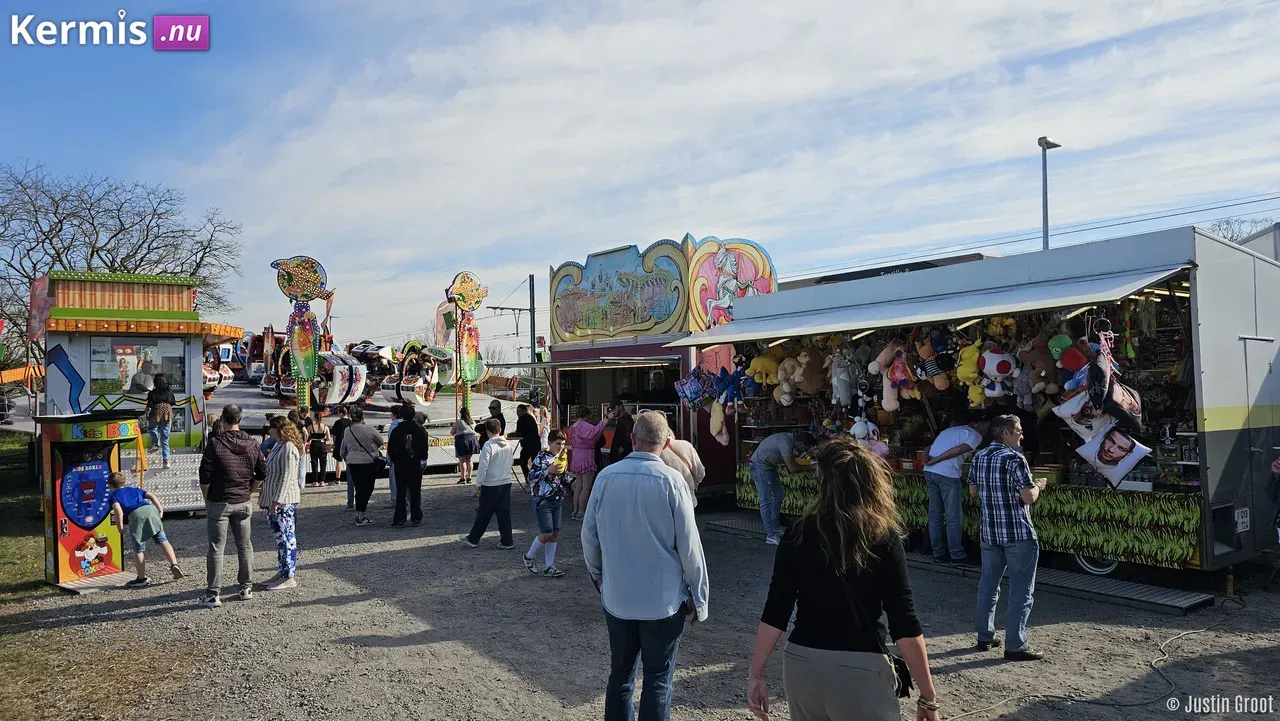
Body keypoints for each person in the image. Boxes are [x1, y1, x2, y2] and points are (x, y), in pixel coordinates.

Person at [746, 437, 941, 721]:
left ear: (821, 482)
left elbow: (776, 610)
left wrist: (755, 675)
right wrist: (928, 696)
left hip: (802, 663)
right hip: (861, 666)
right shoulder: (882, 537)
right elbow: (904, 621)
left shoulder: (798, 533)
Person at [582, 411, 709, 721]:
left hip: (618, 597)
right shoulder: (673, 481)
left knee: (621, 676)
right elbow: (690, 546)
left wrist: (598, 576)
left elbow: (589, 536)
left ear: (632, 438)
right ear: (666, 442)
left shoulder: (606, 477)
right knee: (657, 681)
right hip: (663, 602)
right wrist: (700, 597)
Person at [967, 414, 1046, 662]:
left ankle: (985, 636)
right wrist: (1039, 485)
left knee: (988, 585)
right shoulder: (1015, 458)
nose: (1022, 435)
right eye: (1019, 431)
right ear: (1006, 433)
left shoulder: (979, 456)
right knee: (1021, 591)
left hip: (990, 532)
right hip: (1017, 533)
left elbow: (972, 491)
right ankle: (1015, 645)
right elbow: (1028, 498)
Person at [198, 404, 267, 608]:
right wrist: (252, 489)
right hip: (243, 501)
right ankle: (246, 587)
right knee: (245, 545)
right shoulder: (253, 443)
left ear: (223, 419)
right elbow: (263, 471)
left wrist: (206, 496)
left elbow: (205, 474)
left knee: (216, 548)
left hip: (219, 501)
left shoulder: (216, 443)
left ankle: (213, 593)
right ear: (240, 418)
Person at [922, 415, 989, 564]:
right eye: (985, 425)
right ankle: (957, 555)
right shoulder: (974, 435)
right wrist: (936, 459)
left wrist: (927, 459)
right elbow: (957, 450)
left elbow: (929, 447)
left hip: (929, 472)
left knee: (935, 515)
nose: (986, 430)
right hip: (947, 474)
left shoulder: (950, 430)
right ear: (976, 423)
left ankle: (938, 553)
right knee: (953, 516)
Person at [108, 472, 184, 587]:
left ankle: (141, 578)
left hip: (136, 516)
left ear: (110, 485)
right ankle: (174, 564)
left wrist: (120, 527)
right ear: (124, 482)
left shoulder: (114, 496)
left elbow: (118, 511)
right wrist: (160, 509)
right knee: (162, 540)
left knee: (139, 548)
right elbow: (151, 495)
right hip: (150, 510)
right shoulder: (134, 489)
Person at [748, 430, 817, 545]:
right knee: (765, 501)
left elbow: (790, 461)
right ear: (800, 443)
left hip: (768, 466)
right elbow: (792, 468)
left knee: (779, 494)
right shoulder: (785, 442)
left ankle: (775, 527)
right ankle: (771, 535)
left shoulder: (789, 440)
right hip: (759, 467)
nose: (804, 451)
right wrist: (813, 466)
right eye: (805, 448)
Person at [458, 419, 518, 549]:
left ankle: (473, 539)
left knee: (484, 512)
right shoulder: (507, 445)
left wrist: (478, 483)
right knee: (504, 513)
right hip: (505, 481)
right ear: (500, 430)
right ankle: (507, 540)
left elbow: (483, 466)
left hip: (490, 483)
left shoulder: (488, 445)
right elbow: (511, 462)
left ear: (487, 431)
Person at [260, 416, 303, 590]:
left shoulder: (289, 448)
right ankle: (282, 571)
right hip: (276, 499)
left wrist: (276, 500)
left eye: (271, 427)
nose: (268, 430)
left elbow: (287, 477)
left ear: (279, 429)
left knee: (286, 538)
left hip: (284, 500)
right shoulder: (279, 445)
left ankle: (288, 576)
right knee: (280, 539)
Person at [523, 429, 571, 578]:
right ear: (549, 443)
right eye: (558, 443)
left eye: (563, 444)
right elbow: (531, 477)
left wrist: (571, 482)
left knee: (555, 533)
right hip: (542, 500)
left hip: (557, 499)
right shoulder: (541, 457)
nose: (561, 446)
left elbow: (562, 477)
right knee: (547, 532)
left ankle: (549, 566)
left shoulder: (562, 457)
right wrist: (547, 471)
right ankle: (529, 556)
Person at [342, 405, 386, 526]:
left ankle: (359, 514)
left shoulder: (347, 430)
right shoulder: (369, 429)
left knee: (359, 487)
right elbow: (381, 441)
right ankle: (361, 515)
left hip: (352, 462)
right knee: (367, 488)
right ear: (362, 416)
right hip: (367, 461)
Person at [388, 404, 430, 527]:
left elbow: (391, 448)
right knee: (415, 491)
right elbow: (424, 447)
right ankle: (416, 517)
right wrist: (421, 457)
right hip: (415, 463)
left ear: (401, 415)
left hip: (401, 464)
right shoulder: (420, 430)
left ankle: (400, 518)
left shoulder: (397, 430)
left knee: (401, 492)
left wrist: (396, 460)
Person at [567, 406, 609, 522]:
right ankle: (581, 512)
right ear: (587, 415)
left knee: (579, 486)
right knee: (586, 487)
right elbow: (594, 432)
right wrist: (605, 420)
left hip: (576, 457)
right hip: (586, 456)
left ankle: (575, 511)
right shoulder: (584, 426)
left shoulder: (572, 427)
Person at [659, 434, 706, 507]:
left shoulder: (654, 451)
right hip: (688, 498)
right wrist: (693, 484)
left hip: (666, 501)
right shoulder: (686, 445)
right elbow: (701, 472)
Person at [145, 373, 177, 469]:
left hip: (156, 411)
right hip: (167, 412)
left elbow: (149, 405)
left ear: (155, 382)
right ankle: (166, 461)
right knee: (165, 437)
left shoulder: (152, 393)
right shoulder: (169, 391)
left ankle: (155, 443)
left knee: (152, 427)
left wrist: (146, 411)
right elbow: (173, 402)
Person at [331, 406, 353, 508]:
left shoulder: (338, 423)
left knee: (339, 461)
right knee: (350, 461)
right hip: (350, 444)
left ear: (340, 413)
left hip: (340, 443)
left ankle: (337, 478)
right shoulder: (351, 422)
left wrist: (334, 444)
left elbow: (334, 435)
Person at [453, 406, 480, 485]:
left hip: (461, 441)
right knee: (470, 460)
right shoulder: (472, 422)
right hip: (471, 440)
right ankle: (469, 477)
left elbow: (452, 432)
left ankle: (463, 478)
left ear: (461, 413)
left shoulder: (458, 422)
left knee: (462, 460)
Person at [306, 409, 332, 487]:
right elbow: (328, 438)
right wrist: (323, 439)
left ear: (314, 418)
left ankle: (315, 481)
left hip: (314, 444)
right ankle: (322, 481)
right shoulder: (325, 427)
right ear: (321, 418)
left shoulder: (311, 427)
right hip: (322, 444)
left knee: (314, 462)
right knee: (323, 463)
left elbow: (307, 436)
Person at [515, 404, 541, 478]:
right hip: (534, 443)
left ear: (524, 411)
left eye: (519, 411)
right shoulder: (530, 418)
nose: (517, 413)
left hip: (529, 444)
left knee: (523, 461)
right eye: (517, 411)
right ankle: (534, 478)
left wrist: (514, 434)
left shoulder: (523, 419)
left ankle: (529, 477)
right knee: (535, 462)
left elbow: (520, 432)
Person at [608, 401, 634, 467]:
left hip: (621, 455)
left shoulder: (626, 420)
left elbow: (628, 437)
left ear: (619, 407)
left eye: (614, 408)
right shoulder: (623, 420)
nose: (613, 411)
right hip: (619, 453)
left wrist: (621, 450)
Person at [386, 404, 404, 501]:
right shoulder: (406, 424)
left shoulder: (393, 426)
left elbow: (390, 442)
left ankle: (395, 497)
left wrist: (388, 456)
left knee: (394, 478)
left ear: (395, 415)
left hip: (395, 455)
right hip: (405, 455)